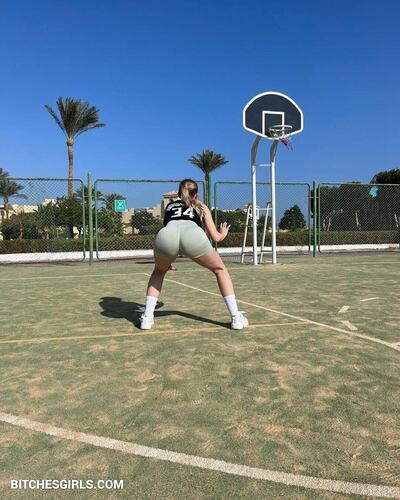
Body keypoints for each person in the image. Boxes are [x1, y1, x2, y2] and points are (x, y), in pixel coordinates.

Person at [140, 179, 248, 330]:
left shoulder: (170, 206)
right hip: (192, 235)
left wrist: (168, 259)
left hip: (167, 234)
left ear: (178, 194)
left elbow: (172, 228)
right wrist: (223, 233)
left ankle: (147, 318)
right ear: (196, 194)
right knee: (220, 269)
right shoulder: (201, 206)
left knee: (158, 271)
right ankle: (236, 317)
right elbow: (216, 237)